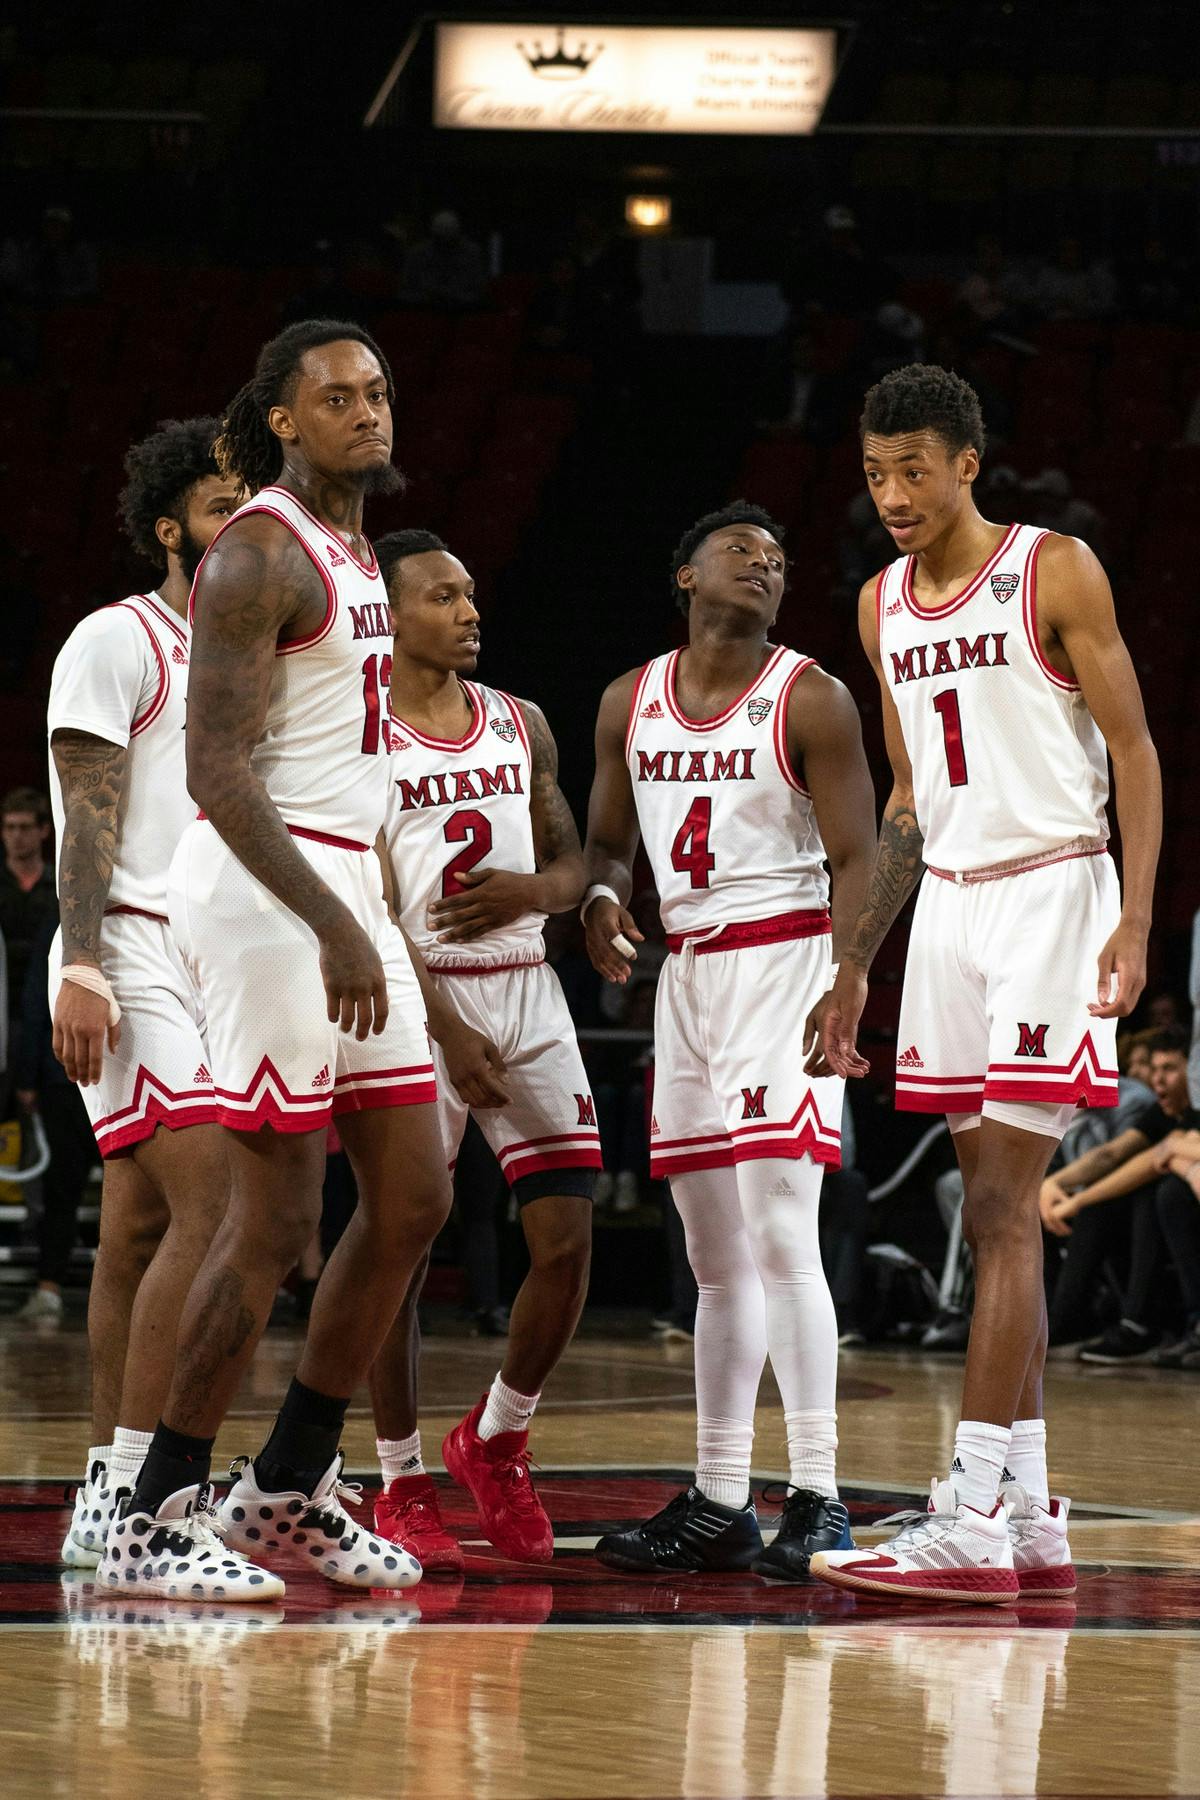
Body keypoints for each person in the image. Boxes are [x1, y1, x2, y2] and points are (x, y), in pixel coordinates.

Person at [99, 320, 487, 1602]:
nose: (367, 411)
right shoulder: (258, 550)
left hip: (346, 883)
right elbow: (216, 770)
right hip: (272, 892)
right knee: (271, 1219)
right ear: (281, 418)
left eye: (379, 390)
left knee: (417, 1195)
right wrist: (329, 920)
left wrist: (364, 912)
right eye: (337, 397)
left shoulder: (360, 547)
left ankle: (287, 1487)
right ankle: (154, 1507)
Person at [810, 363, 1160, 1604]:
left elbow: (1133, 748)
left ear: (968, 463)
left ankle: (964, 1510)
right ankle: (1024, 1509)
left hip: (1053, 890)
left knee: (1006, 1216)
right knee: (994, 1210)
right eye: (873, 472)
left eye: (914, 468)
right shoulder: (877, 605)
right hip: (949, 906)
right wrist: (855, 959)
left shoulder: (1053, 567)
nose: (892, 493)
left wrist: (1137, 917)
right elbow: (905, 800)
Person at [582, 501, 877, 1579]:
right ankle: (719, 1497)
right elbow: (610, 845)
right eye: (739, 550)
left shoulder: (813, 697)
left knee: (780, 1230)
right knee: (713, 1259)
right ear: (683, 575)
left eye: (778, 555)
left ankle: (821, 1494)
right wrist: (601, 903)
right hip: (690, 975)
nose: (764, 562)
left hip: (786, 961)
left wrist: (848, 978)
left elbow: (861, 856)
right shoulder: (629, 700)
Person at [368, 528, 599, 1568]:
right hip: (418, 997)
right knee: (398, 1248)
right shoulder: (356, 733)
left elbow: (574, 858)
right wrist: (444, 1028)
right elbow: (367, 903)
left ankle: (497, 1437)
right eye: (443, 596)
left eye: (470, 593)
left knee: (567, 1239)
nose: (469, 611)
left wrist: (555, 899)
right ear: (388, 613)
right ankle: (398, 1477)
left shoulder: (521, 720)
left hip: (527, 989)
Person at [45, 419, 245, 1560]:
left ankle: (100, 1490)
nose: (235, 533)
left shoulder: (249, 660)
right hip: (123, 944)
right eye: (218, 510)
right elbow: (89, 815)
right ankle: (144, 1495)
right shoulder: (114, 639)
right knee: (213, 1205)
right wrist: (80, 961)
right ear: (170, 527)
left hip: (220, 954)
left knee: (138, 1227)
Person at [1039, 1028, 1200, 1362]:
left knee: (1157, 1194)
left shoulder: (1193, 1112)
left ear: (1192, 1071)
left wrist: (1074, 1198)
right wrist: (1057, 1186)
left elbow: (1145, 1166)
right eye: (1154, 1070)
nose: (1158, 1079)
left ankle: (1144, 1324)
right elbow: (1113, 1155)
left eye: (1169, 1069)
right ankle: (1064, 1321)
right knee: (1102, 1204)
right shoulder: (1161, 1113)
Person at [0, 787, 58, 1065]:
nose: (16, 836)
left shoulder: (59, 887)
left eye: (24, 827)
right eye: (10, 827)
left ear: (43, 830)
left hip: (48, 1013)